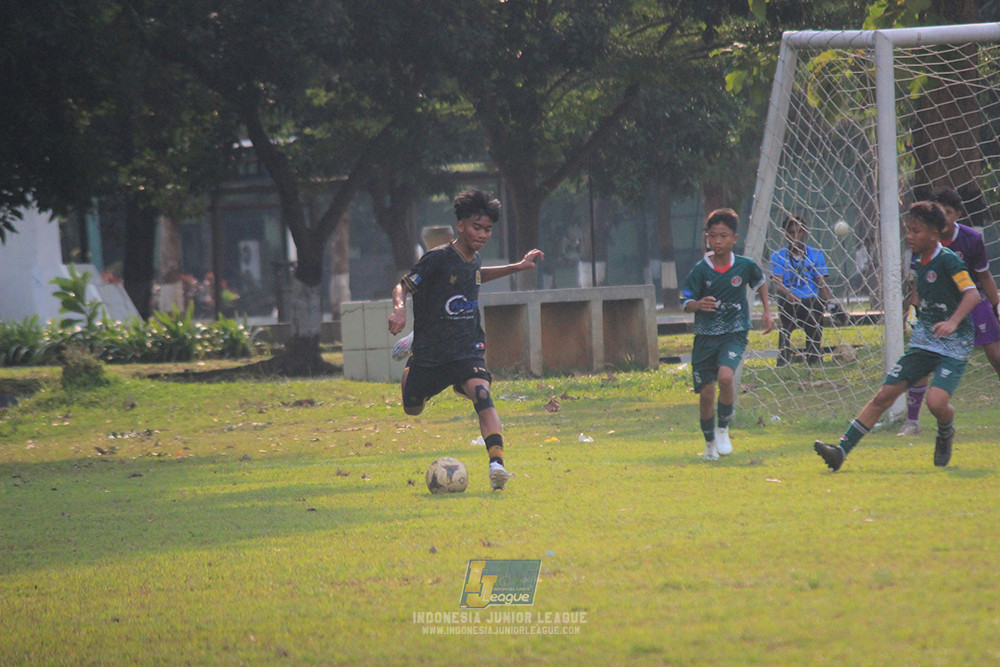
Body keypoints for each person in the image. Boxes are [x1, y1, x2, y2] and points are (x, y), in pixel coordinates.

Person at [387, 189, 544, 490]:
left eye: (487, 229)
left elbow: (476, 275)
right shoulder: (437, 259)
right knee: (412, 407)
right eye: (477, 227)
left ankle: (497, 465)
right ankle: (413, 350)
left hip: (466, 347)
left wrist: (518, 266)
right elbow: (402, 286)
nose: (483, 234)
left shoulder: (473, 259)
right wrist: (399, 311)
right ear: (460, 226)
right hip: (431, 353)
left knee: (483, 396)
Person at [815, 201, 981, 471]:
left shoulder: (950, 260)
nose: (909, 235)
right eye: (908, 229)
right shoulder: (918, 259)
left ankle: (946, 430)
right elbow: (921, 289)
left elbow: (972, 294)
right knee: (884, 395)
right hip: (925, 341)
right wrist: (912, 311)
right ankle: (840, 451)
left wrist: (952, 322)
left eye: (916, 231)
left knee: (936, 402)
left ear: (933, 235)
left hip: (955, 342)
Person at [897, 186, 1000, 436]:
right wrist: (911, 310)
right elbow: (917, 283)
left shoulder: (971, 239)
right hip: (937, 309)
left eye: (948, 211)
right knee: (922, 361)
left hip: (971, 301)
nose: (943, 215)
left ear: (956, 215)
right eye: (939, 210)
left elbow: (983, 275)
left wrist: (996, 306)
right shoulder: (923, 239)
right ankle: (912, 422)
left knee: (996, 356)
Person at [681, 208, 774, 461]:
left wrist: (767, 311)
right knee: (706, 394)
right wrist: (698, 305)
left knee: (726, 376)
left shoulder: (744, 266)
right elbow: (685, 300)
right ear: (707, 238)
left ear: (735, 238)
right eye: (713, 236)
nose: (718, 241)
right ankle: (710, 442)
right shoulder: (701, 270)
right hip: (705, 336)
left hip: (735, 332)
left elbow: (760, 280)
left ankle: (723, 429)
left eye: (723, 236)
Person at [769, 215, 833, 366]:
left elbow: (821, 282)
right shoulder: (778, 256)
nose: (795, 236)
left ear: (804, 232)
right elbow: (778, 284)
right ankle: (783, 358)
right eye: (791, 232)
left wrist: (826, 300)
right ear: (785, 234)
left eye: (799, 231)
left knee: (814, 310)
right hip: (789, 301)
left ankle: (814, 357)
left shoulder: (816, 254)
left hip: (812, 301)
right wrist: (788, 294)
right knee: (788, 319)